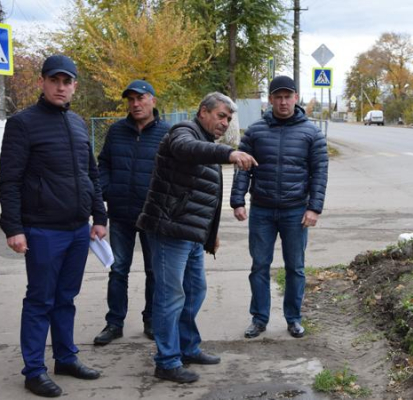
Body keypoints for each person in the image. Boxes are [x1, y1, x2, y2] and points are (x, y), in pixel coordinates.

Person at [0, 54, 107, 398]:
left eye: (67, 81)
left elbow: (90, 174)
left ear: (74, 85)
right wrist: (13, 227)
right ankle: (33, 370)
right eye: (55, 80)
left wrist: (99, 216)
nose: (61, 87)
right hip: (42, 230)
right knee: (40, 300)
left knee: (66, 298)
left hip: (77, 229)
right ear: (42, 83)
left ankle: (66, 357)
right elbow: (9, 180)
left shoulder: (76, 122)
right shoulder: (23, 123)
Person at [136, 92, 257, 384]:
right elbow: (185, 149)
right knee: (170, 297)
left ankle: (187, 347)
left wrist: (210, 235)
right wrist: (228, 153)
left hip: (191, 234)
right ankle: (166, 361)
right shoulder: (183, 133)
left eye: (228, 119)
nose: (225, 123)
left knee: (195, 291)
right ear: (203, 111)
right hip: (169, 230)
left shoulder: (206, 143)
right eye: (220, 116)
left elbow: (208, 198)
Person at [230, 75, 329, 340]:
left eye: (288, 96)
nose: (283, 102)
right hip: (261, 210)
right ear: (271, 99)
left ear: (296, 98)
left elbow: (319, 173)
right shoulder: (255, 131)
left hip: (296, 212)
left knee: (295, 267)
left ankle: (293, 318)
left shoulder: (311, 133)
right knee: (259, 266)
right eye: (278, 97)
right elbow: (243, 169)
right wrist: (237, 200)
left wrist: (314, 208)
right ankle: (259, 318)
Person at [93, 80, 168, 346]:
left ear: (153, 101)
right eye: (131, 99)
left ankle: (151, 320)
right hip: (121, 214)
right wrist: (108, 191)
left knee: (154, 271)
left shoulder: (167, 133)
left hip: (152, 216)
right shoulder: (116, 132)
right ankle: (114, 323)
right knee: (118, 270)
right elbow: (103, 164)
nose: (136, 104)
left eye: (141, 98)